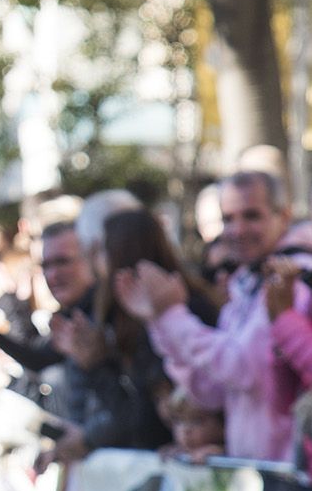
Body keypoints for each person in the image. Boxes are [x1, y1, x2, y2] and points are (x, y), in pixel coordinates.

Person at [116, 171, 297, 462]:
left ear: (284, 216)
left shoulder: (296, 279)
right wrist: (159, 321)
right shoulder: (245, 283)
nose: (237, 230)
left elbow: (244, 370)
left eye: (251, 216)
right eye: (228, 219)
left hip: (292, 480)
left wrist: (172, 315)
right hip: (257, 476)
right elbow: (211, 392)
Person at [43, 209, 217, 465]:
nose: (93, 260)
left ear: (122, 253)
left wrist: (96, 367)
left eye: (100, 250)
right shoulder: (118, 317)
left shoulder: (181, 309)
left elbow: (146, 413)